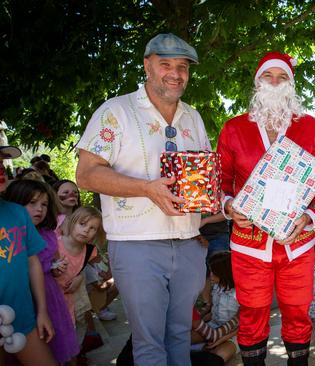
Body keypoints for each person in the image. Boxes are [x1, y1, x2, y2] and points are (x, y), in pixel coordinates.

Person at [75, 33, 211, 365]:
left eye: (182, 66)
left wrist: (213, 214)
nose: (175, 73)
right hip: (137, 244)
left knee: (180, 336)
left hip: (188, 242)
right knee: (149, 345)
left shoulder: (192, 116)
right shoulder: (115, 111)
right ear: (148, 65)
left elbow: (204, 179)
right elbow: (86, 174)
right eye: (166, 64)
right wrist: (146, 188)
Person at [217, 51, 315, 365]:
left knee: (297, 311)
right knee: (252, 312)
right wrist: (229, 206)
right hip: (249, 244)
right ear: (257, 82)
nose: (275, 83)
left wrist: (309, 216)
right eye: (269, 76)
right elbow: (221, 182)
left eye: (283, 78)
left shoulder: (308, 127)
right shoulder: (234, 128)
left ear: (291, 85)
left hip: (296, 242)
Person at [3, 179, 80, 363]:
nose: (40, 209)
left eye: (44, 204)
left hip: (38, 304)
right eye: (33, 203)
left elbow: (35, 262)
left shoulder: (37, 227)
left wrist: (56, 269)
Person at [0, 145, 57, 366]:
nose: (1, 168)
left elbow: (33, 262)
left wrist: (42, 311)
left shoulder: (16, 212)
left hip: (23, 317)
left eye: (1, 161)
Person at [54, 207, 104, 322]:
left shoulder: (91, 251)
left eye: (92, 228)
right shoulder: (55, 244)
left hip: (69, 301)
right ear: (72, 222)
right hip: (51, 299)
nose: (86, 230)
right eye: (82, 224)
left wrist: (80, 276)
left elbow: (79, 265)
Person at [191, 251, 239, 364]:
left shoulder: (239, 293)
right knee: (183, 340)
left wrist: (219, 339)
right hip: (212, 327)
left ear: (224, 273)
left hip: (233, 334)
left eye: (214, 272)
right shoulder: (216, 287)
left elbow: (244, 326)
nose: (210, 275)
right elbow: (212, 311)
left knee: (218, 356)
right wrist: (200, 319)